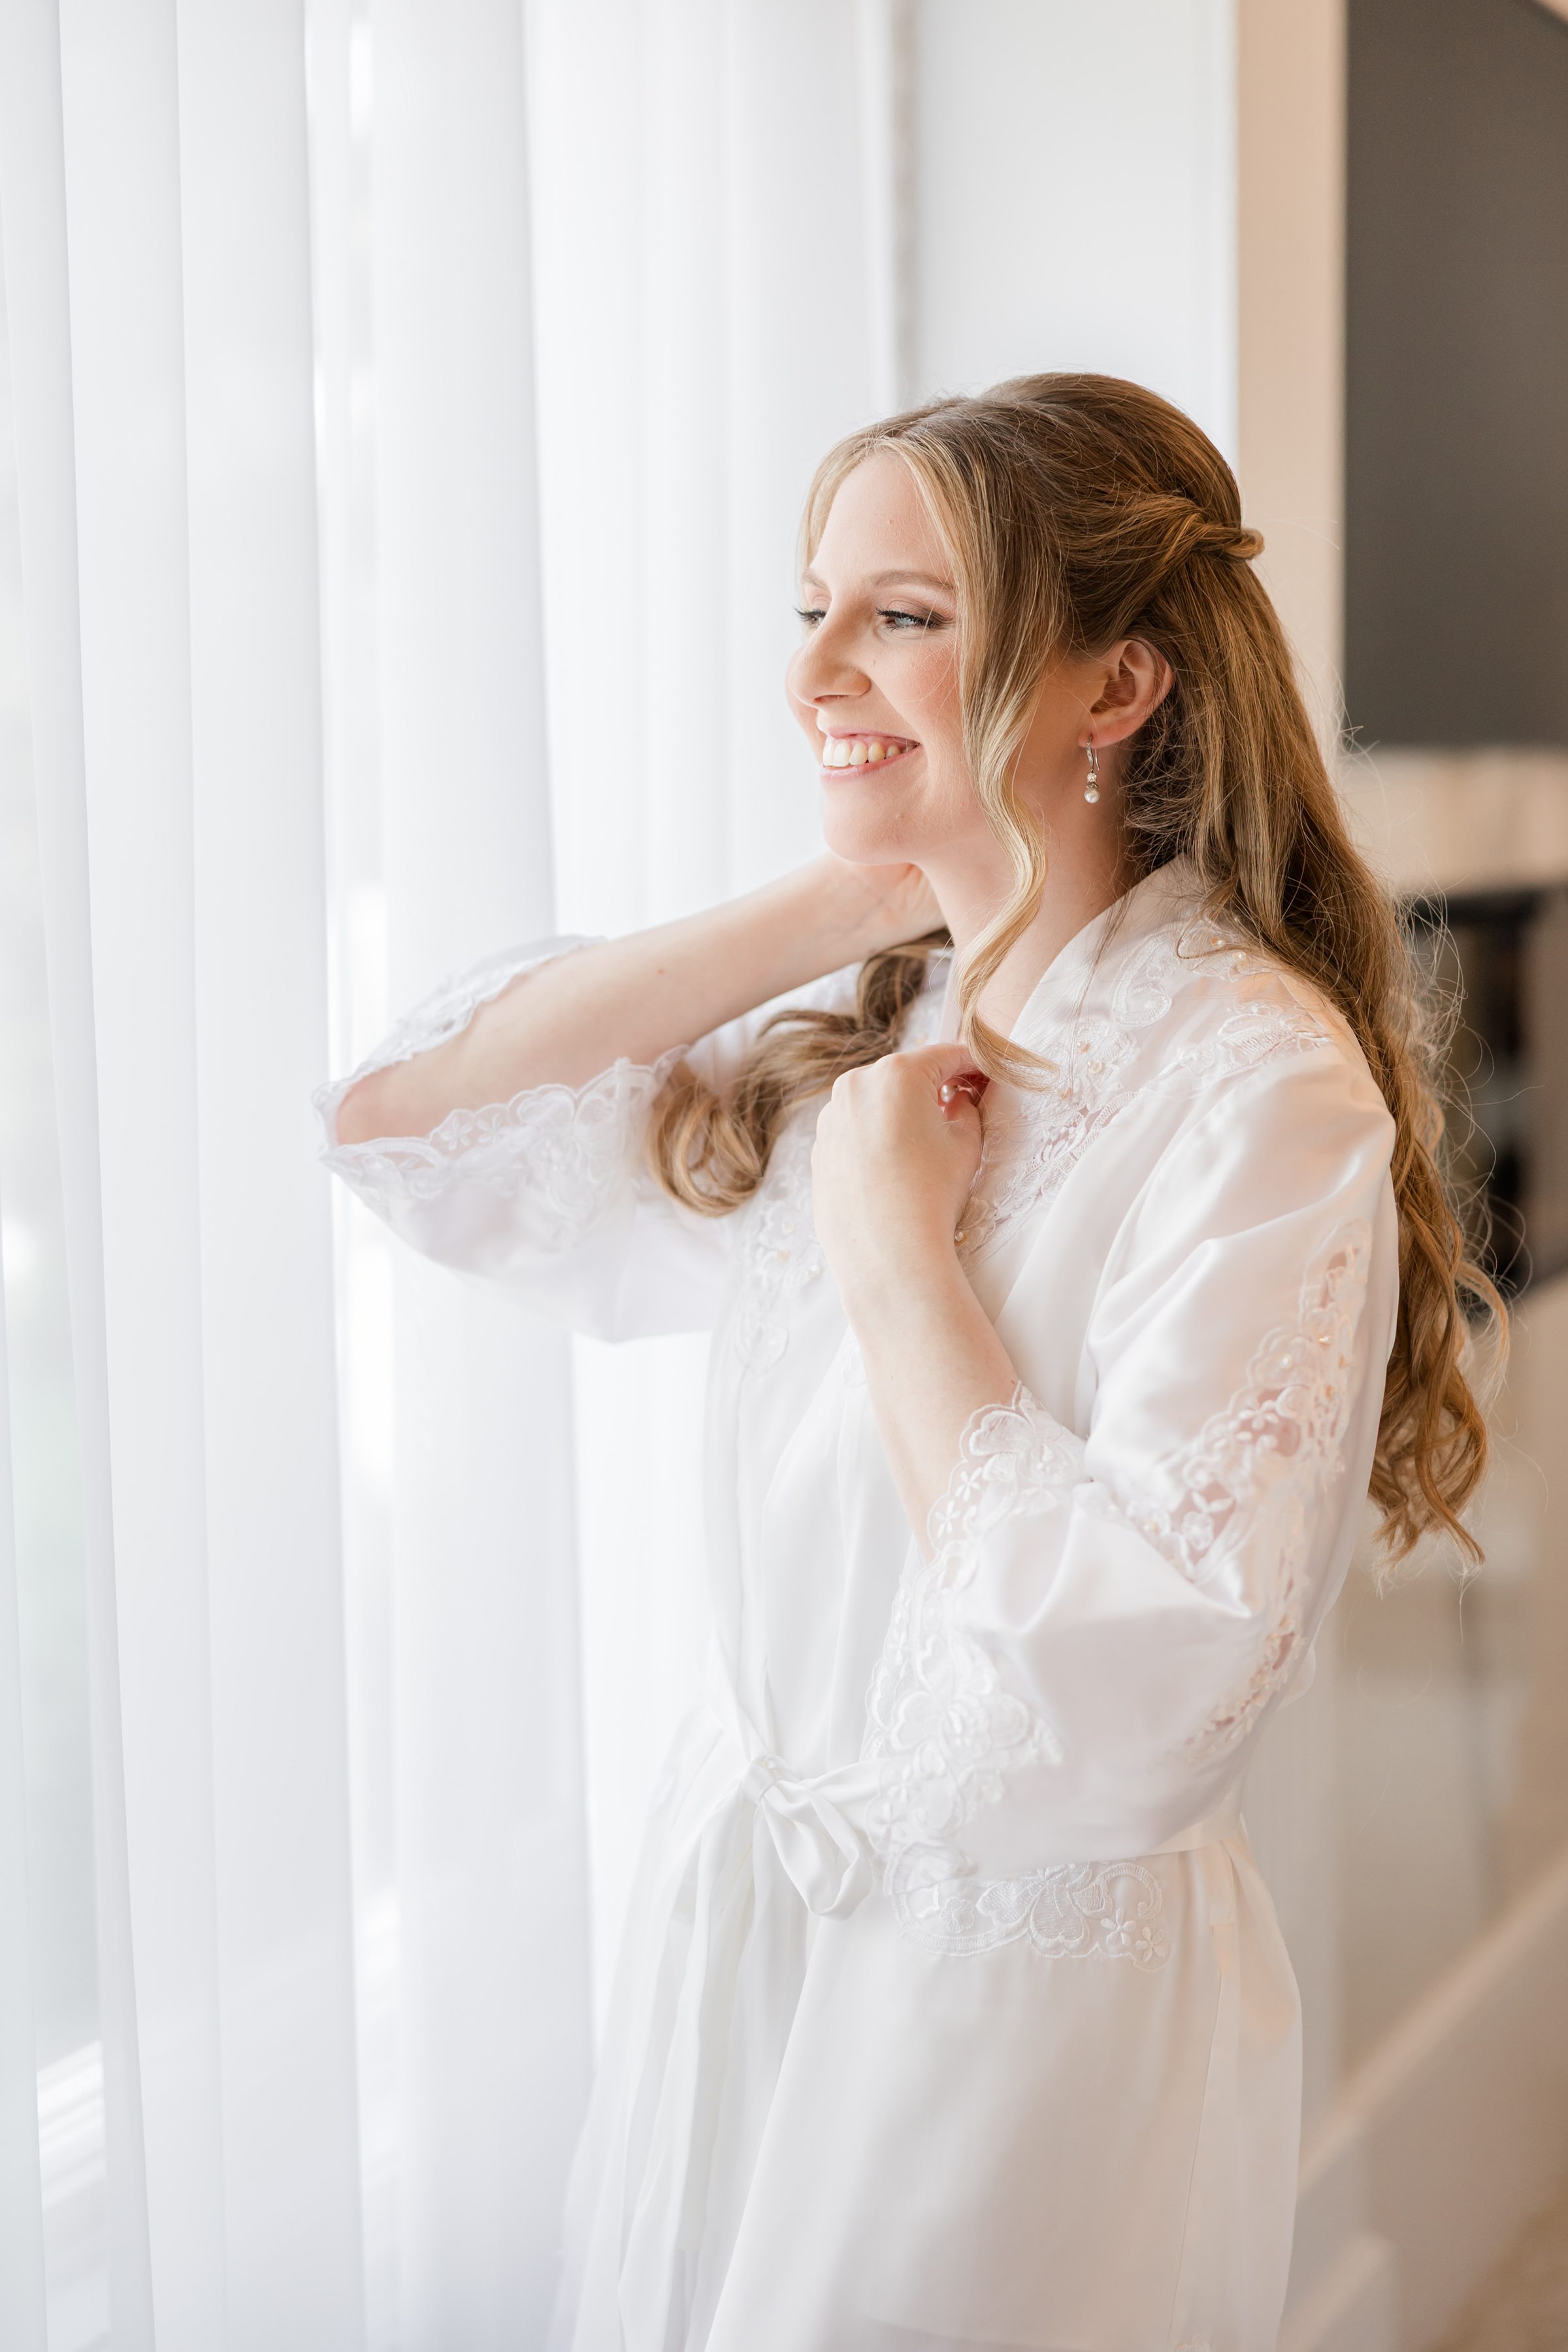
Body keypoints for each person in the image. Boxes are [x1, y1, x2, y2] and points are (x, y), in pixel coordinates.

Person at [317, 374, 1497, 2352]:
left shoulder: (1250, 1087)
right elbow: (406, 1135)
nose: (815, 674)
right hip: (753, 1932)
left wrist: (891, 1259)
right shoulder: (885, 1031)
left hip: (997, 2022)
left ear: (1117, 685)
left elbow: (1152, 1692)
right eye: (813, 611)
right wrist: (857, 890)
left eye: (905, 616)